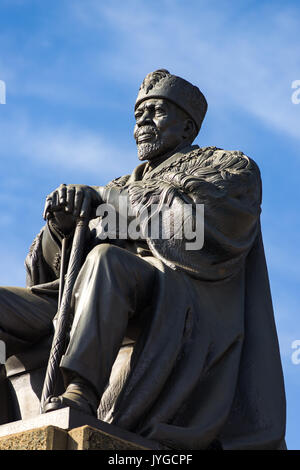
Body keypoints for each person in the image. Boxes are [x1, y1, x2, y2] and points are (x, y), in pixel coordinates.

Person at [0, 70, 286, 450]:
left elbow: (195, 228)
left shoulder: (227, 167)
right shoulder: (120, 183)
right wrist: (62, 227)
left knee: (107, 261)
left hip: (174, 295)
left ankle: (81, 392)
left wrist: (106, 202)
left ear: (187, 127)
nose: (143, 124)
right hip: (77, 296)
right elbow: (48, 271)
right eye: (138, 116)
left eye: (155, 112)